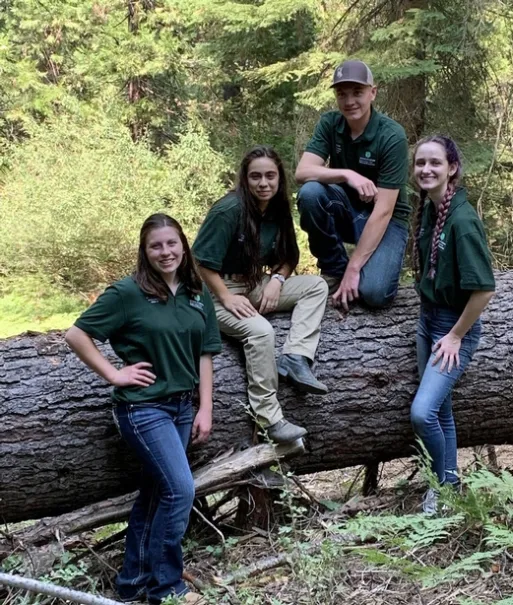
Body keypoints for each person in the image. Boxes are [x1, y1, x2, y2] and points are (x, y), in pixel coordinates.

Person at [65, 214, 220, 604]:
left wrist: (206, 408)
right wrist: (114, 375)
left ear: (183, 245)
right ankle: (167, 589)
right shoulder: (127, 293)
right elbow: (77, 334)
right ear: (144, 250)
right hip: (144, 409)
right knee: (181, 490)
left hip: (183, 409)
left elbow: (204, 354)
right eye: (156, 245)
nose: (165, 252)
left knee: (155, 496)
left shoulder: (197, 292)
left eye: (172, 243)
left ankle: (132, 583)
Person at [193, 145, 329, 444]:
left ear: (280, 178)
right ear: (245, 178)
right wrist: (227, 298)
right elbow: (200, 262)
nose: (263, 183)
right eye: (256, 177)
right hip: (217, 293)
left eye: (270, 176)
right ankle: (270, 418)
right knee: (261, 332)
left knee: (316, 286)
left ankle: (295, 357)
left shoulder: (278, 209)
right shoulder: (228, 210)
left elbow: (289, 257)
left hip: (256, 283)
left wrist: (277, 280)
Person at [410, 135, 496, 516]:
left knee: (422, 412)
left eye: (435, 163)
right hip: (427, 317)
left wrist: (457, 335)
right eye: (420, 163)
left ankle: (439, 485)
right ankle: (450, 486)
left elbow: (484, 290)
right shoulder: (431, 208)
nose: (426, 169)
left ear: (452, 168)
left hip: (451, 326)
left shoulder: (461, 220)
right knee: (441, 411)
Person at [295, 59, 410, 311]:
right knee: (311, 193)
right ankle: (335, 270)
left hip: (387, 219)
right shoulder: (330, 124)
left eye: (357, 93)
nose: (349, 102)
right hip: (347, 210)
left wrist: (355, 267)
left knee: (375, 294)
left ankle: (353, 271)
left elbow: (384, 210)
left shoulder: (391, 136)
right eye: (342, 94)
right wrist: (347, 174)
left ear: (372, 93)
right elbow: (302, 172)